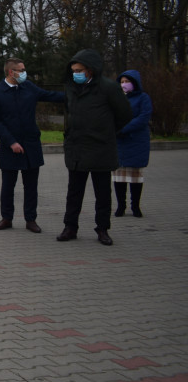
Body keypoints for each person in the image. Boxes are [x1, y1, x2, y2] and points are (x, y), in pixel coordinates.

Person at [56, 49, 133, 246]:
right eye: (73, 70)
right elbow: (69, 111)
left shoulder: (108, 87)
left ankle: (102, 229)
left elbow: (124, 114)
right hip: (77, 148)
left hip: (100, 148)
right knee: (74, 192)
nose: (76, 74)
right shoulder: (71, 87)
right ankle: (70, 227)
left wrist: (107, 131)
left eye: (80, 70)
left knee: (102, 193)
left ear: (91, 70)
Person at [0, 58, 65, 233]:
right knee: (8, 185)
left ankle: (31, 219)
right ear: (10, 72)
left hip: (31, 145)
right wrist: (11, 142)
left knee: (31, 186)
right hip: (10, 147)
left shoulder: (28, 87)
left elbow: (50, 96)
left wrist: (75, 94)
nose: (24, 73)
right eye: (20, 70)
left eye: (24, 69)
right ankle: (6, 218)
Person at [114, 69, 152, 218]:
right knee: (119, 176)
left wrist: (125, 128)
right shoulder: (118, 98)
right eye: (122, 82)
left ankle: (135, 206)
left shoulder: (143, 98)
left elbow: (143, 117)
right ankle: (120, 206)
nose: (124, 84)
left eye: (127, 81)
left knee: (135, 176)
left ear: (135, 83)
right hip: (120, 141)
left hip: (136, 140)